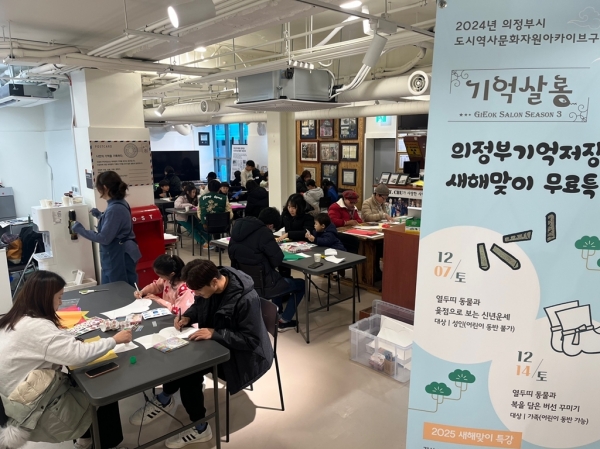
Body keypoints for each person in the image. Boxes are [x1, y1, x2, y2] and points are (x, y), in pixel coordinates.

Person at [128, 260, 273, 448]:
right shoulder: (208, 286)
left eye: (198, 291)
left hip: (243, 357)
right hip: (217, 344)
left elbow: (251, 340)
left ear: (214, 282)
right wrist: (188, 316)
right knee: (178, 359)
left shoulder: (246, 299)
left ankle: (200, 428)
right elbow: (199, 306)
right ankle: (165, 397)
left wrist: (215, 333)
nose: (195, 295)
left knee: (189, 374)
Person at [0, 271, 132, 449]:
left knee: (83, 380)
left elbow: (47, 344)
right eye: (59, 297)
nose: (61, 302)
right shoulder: (38, 328)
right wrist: (114, 340)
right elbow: (78, 355)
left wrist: (65, 338)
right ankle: (108, 445)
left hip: (16, 400)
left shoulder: (16, 316)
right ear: (45, 298)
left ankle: (85, 440)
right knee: (104, 390)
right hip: (33, 408)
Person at [228, 207, 304, 330]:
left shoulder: (237, 229)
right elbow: (277, 260)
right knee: (301, 284)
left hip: (244, 282)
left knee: (277, 277)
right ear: (271, 225)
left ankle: (276, 313)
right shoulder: (264, 233)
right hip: (264, 284)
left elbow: (232, 255)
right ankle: (284, 320)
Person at [72, 171, 141, 287]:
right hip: (121, 251)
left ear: (105, 188)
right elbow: (116, 224)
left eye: (98, 188)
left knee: (119, 290)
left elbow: (104, 238)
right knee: (120, 288)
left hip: (119, 254)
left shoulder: (115, 209)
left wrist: (80, 230)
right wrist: (101, 215)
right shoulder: (119, 203)